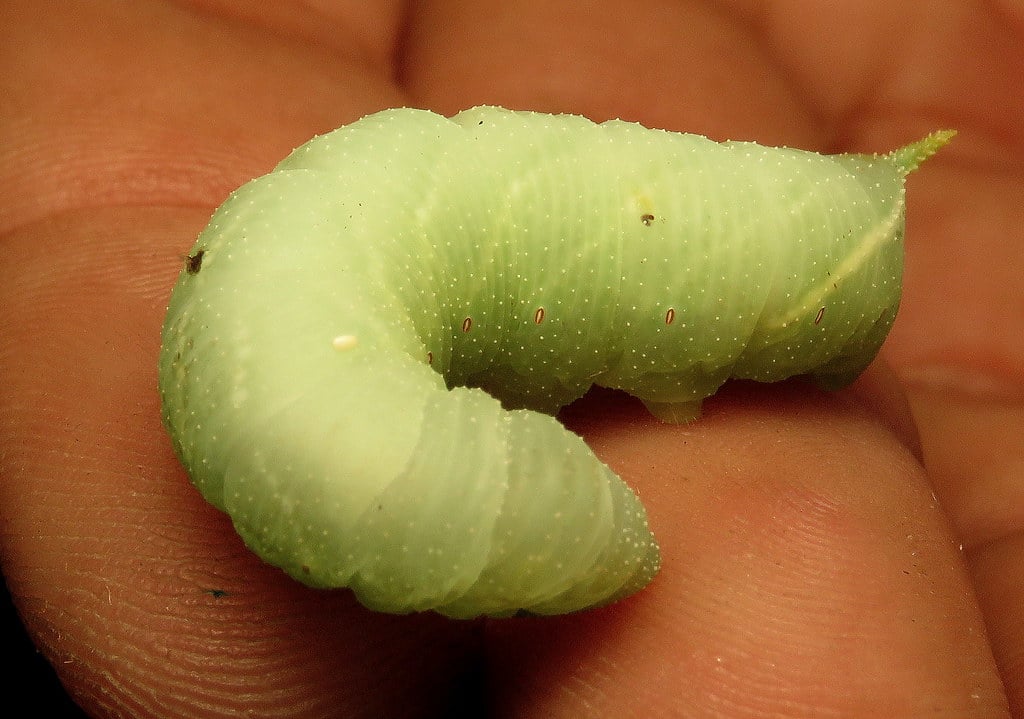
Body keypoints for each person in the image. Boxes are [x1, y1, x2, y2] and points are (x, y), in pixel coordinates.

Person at [1, 2, 1020, 716]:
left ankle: (825, 231)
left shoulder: (303, 319)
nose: (622, 536)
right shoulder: (298, 330)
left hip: (819, 252)